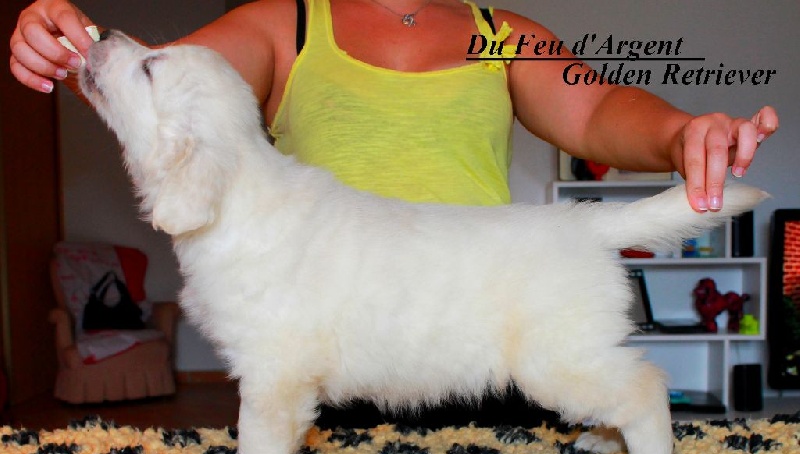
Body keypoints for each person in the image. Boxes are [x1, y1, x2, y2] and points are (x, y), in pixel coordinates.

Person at [10, 0, 778, 214]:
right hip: (333, 351)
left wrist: (681, 132)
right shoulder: (282, 24)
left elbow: (598, 108)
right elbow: (155, 80)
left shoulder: (503, 33)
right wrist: (71, 42)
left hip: (485, 334)